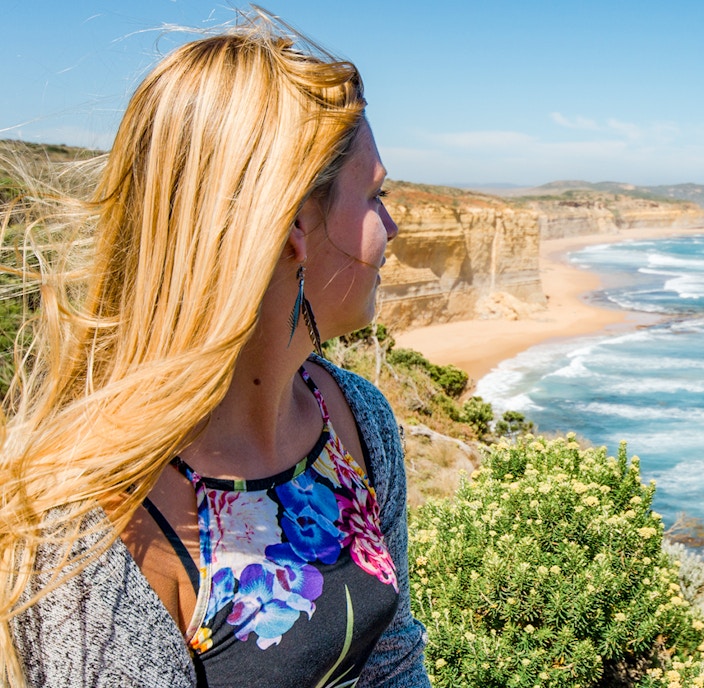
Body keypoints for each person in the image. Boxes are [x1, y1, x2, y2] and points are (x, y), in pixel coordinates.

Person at [0, 9, 430, 687]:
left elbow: (395, 656)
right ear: (293, 222)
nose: (394, 225)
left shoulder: (358, 420)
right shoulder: (92, 527)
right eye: (375, 196)